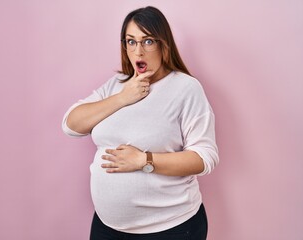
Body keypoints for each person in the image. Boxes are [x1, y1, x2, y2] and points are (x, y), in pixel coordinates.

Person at [62, 6, 219, 240]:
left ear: (163, 44)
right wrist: (124, 97)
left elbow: (204, 158)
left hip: (170, 228)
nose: (138, 51)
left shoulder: (186, 88)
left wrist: (144, 161)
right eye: (131, 41)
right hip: (108, 227)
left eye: (147, 41)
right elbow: (71, 125)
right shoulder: (117, 85)